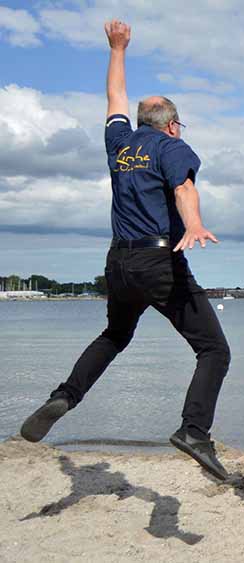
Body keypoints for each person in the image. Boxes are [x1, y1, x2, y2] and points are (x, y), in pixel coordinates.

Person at [19, 20, 232, 480]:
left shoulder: (120, 143)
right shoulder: (172, 147)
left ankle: (65, 396)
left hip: (117, 263)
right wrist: (193, 222)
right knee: (214, 350)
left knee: (115, 334)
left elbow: (115, 98)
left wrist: (117, 48)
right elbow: (184, 188)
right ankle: (194, 431)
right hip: (158, 261)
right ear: (172, 125)